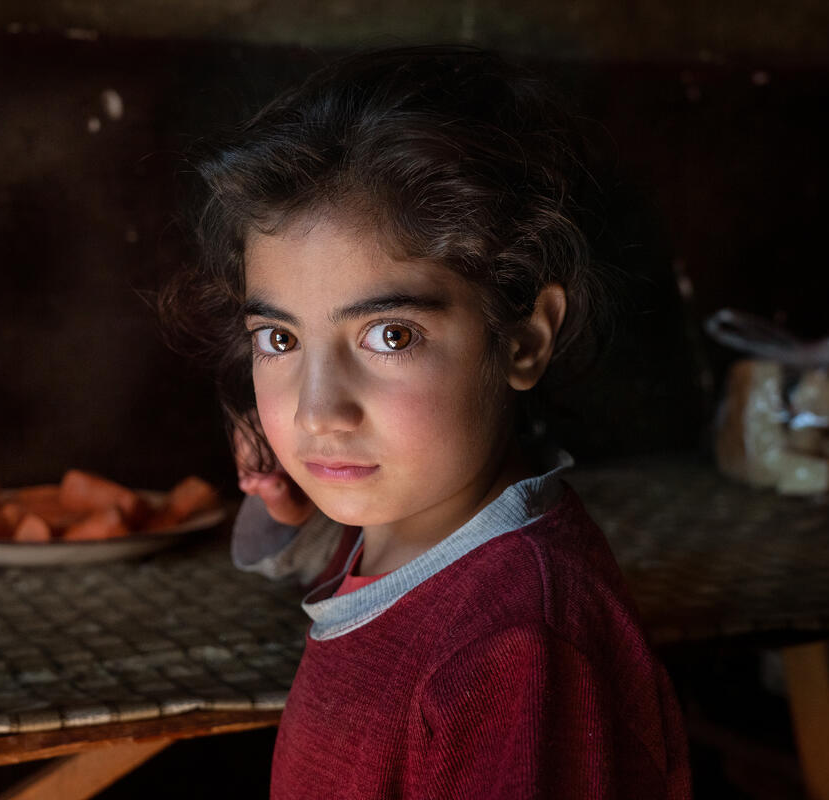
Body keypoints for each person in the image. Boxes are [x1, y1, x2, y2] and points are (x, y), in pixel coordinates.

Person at [160, 46, 691, 800]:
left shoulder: (516, 653)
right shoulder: (410, 524)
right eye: (280, 340)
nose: (318, 411)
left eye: (390, 336)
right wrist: (283, 501)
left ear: (524, 339)